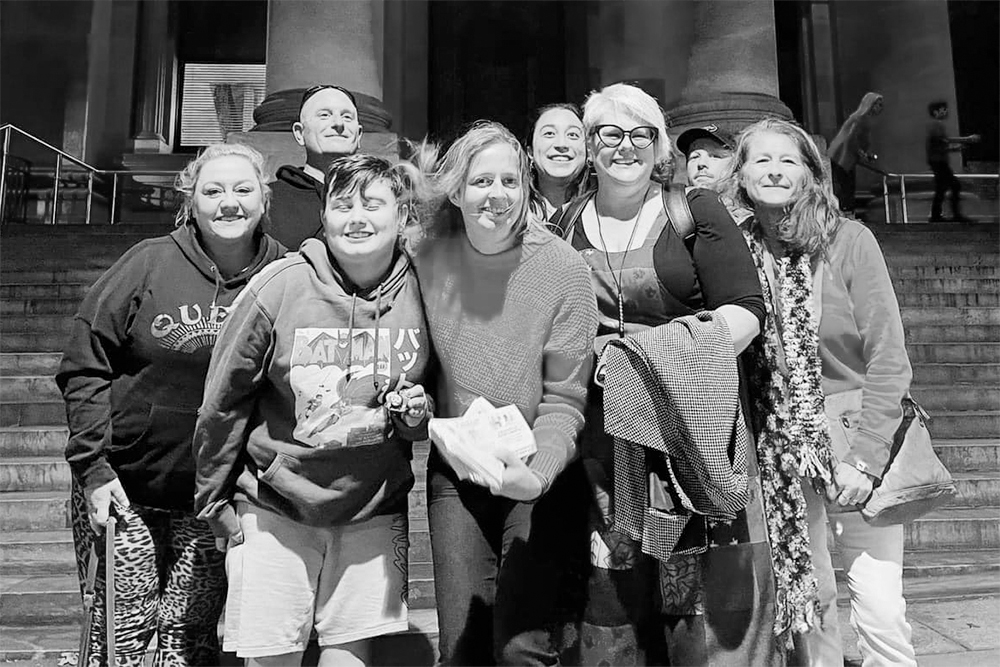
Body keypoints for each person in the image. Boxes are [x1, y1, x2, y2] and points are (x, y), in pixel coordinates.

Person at [557, 82, 776, 665]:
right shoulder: (565, 223)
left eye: (641, 135)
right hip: (609, 439)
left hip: (699, 431)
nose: (625, 147)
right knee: (615, 596)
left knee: (713, 605)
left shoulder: (694, 211)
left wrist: (647, 359)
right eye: (610, 133)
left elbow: (746, 312)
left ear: (659, 148)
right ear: (590, 143)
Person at [193, 154, 433, 667]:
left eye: (372, 204)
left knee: (350, 657)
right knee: (272, 658)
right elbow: (222, 402)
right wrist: (214, 500)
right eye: (342, 205)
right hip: (275, 506)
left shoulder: (424, 290)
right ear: (324, 216)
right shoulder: (277, 286)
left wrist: (417, 414)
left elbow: (431, 401)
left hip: (373, 510)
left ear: (402, 216)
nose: (357, 217)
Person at [56, 143, 285, 666]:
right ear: (192, 201)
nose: (229, 203)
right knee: (120, 633)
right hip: (123, 486)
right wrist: (92, 468)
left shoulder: (282, 274)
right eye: (213, 190)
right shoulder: (148, 262)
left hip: (212, 495)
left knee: (191, 635)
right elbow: (85, 363)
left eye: (243, 189)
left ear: (263, 198)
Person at [726, 117, 918, 666]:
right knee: (806, 600)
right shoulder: (732, 252)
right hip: (774, 449)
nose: (774, 170)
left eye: (788, 160)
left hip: (858, 440)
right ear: (740, 175)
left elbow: (888, 355)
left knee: (880, 606)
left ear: (811, 174)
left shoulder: (848, 241)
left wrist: (867, 458)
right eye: (760, 160)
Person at [410, 120, 598, 665]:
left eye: (510, 181)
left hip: (539, 469)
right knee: (461, 650)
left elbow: (566, 399)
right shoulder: (426, 256)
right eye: (481, 181)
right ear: (458, 190)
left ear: (526, 188)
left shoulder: (561, 267)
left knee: (522, 648)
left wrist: (535, 475)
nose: (496, 195)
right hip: (458, 470)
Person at [269, 84, 363, 249]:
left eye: (347, 117)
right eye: (324, 115)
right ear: (300, 133)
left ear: (359, 134)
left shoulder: (377, 196)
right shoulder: (268, 201)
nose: (338, 123)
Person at [524, 103, 590, 223]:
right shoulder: (512, 214)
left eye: (572, 135)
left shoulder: (603, 211)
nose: (561, 144)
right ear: (530, 151)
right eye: (549, 134)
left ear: (588, 151)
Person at [828, 92, 883, 214]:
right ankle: (847, 213)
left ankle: (847, 212)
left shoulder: (863, 118)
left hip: (848, 158)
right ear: (871, 104)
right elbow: (851, 138)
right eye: (878, 104)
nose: (880, 108)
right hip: (842, 158)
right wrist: (861, 153)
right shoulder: (861, 118)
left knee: (847, 186)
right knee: (845, 187)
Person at [925, 99, 980, 222]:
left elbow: (940, 145)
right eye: (943, 109)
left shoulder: (936, 125)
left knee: (942, 188)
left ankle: (937, 215)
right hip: (938, 162)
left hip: (938, 161)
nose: (946, 112)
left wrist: (956, 149)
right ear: (936, 112)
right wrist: (967, 139)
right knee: (954, 185)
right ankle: (952, 215)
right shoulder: (936, 124)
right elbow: (944, 140)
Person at [677, 123, 735, 191]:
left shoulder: (747, 199)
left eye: (715, 156)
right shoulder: (671, 200)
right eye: (694, 157)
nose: (701, 164)